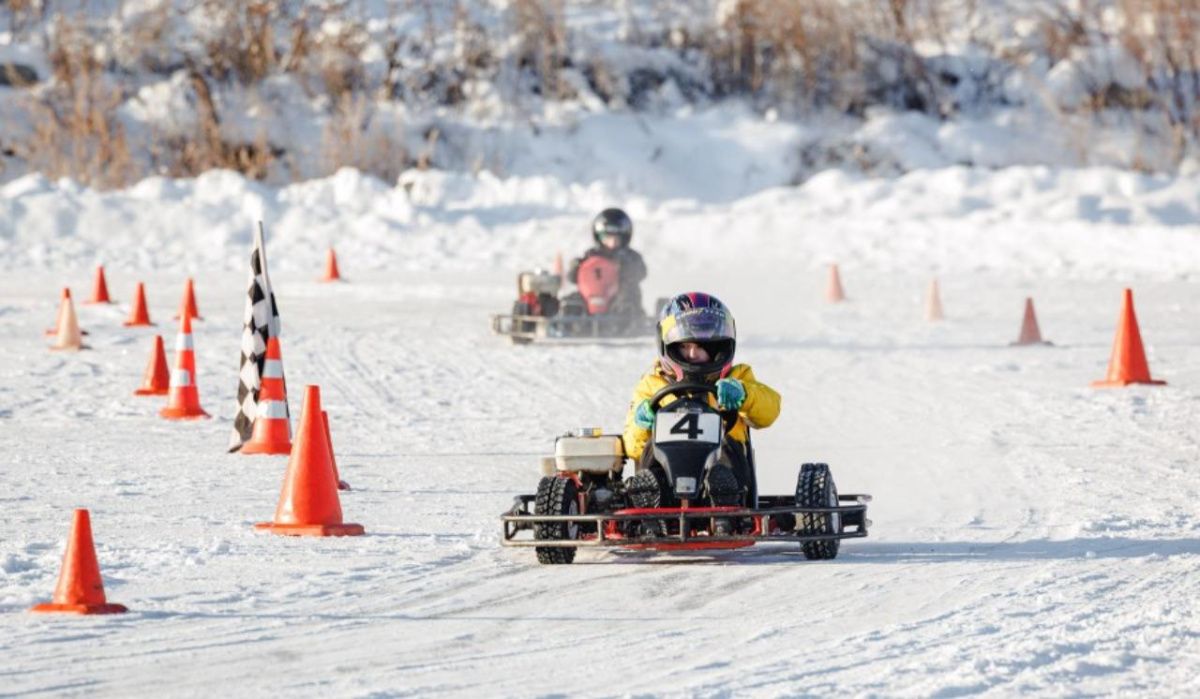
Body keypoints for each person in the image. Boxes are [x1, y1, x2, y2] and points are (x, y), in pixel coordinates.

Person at [621, 292, 781, 535]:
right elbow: (632, 446)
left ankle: (724, 509)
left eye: (702, 347)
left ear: (718, 348)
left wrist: (744, 395)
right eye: (685, 347)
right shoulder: (652, 384)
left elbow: (770, 410)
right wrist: (642, 421)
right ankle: (651, 511)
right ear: (669, 346)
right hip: (666, 470)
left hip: (722, 463)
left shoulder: (736, 378)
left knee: (724, 452)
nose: (693, 355)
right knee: (651, 458)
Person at [567, 208, 647, 315]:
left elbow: (642, 272)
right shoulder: (592, 255)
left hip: (620, 298)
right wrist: (576, 268)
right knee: (572, 300)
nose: (612, 243)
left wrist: (625, 268)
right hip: (593, 297)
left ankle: (624, 322)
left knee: (628, 296)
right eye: (608, 238)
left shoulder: (630, 256)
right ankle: (572, 324)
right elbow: (574, 278)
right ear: (599, 237)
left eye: (616, 239)